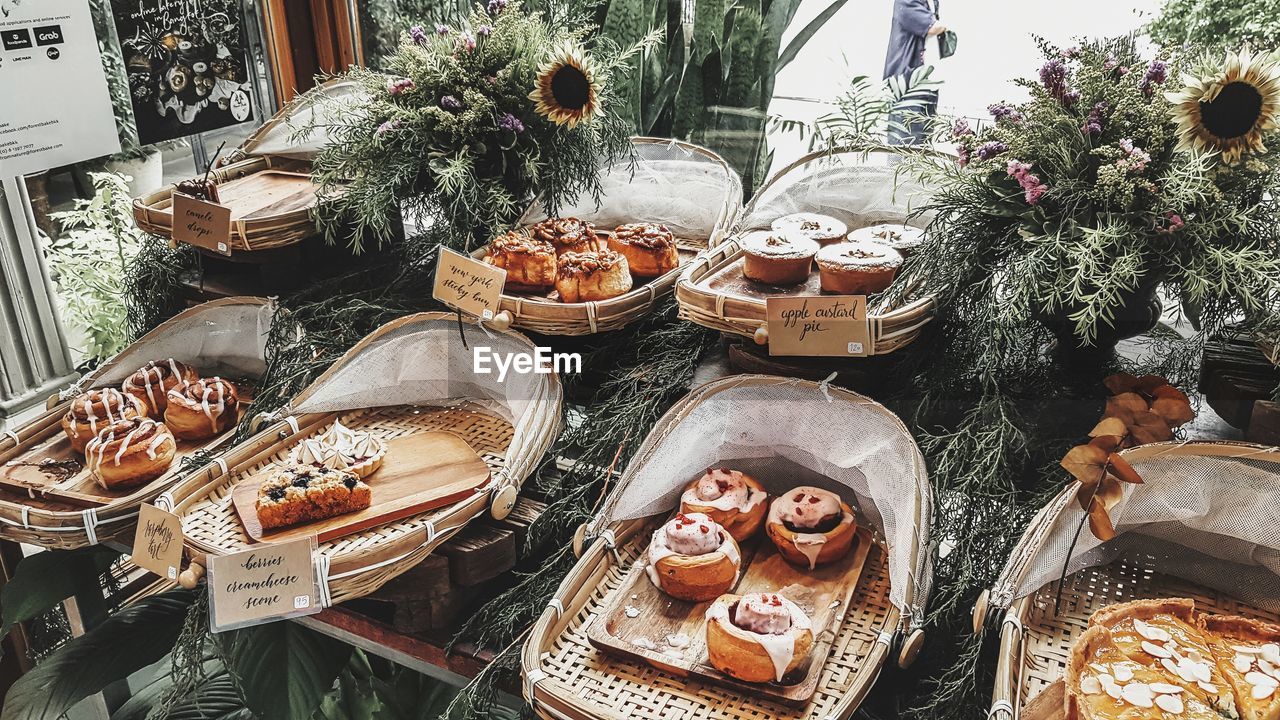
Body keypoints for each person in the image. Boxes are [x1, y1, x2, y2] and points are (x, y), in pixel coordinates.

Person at [884, 0, 947, 147]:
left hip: (929, 82)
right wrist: (944, 26)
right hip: (907, 83)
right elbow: (931, 27)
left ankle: (920, 170)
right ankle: (897, 170)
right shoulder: (906, 1)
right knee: (903, 143)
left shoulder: (932, 2)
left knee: (923, 144)